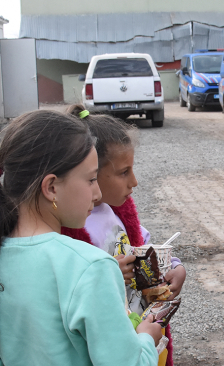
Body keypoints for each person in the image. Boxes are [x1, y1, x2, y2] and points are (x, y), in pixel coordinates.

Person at [0, 110, 162, 365]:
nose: (97, 194)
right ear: (51, 187)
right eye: (91, 179)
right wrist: (146, 341)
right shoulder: (91, 267)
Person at [61, 105, 186, 366]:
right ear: (92, 171)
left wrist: (175, 267)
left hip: (140, 335)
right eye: (123, 172)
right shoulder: (70, 226)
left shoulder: (118, 213)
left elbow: (146, 247)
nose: (134, 181)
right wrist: (107, 274)